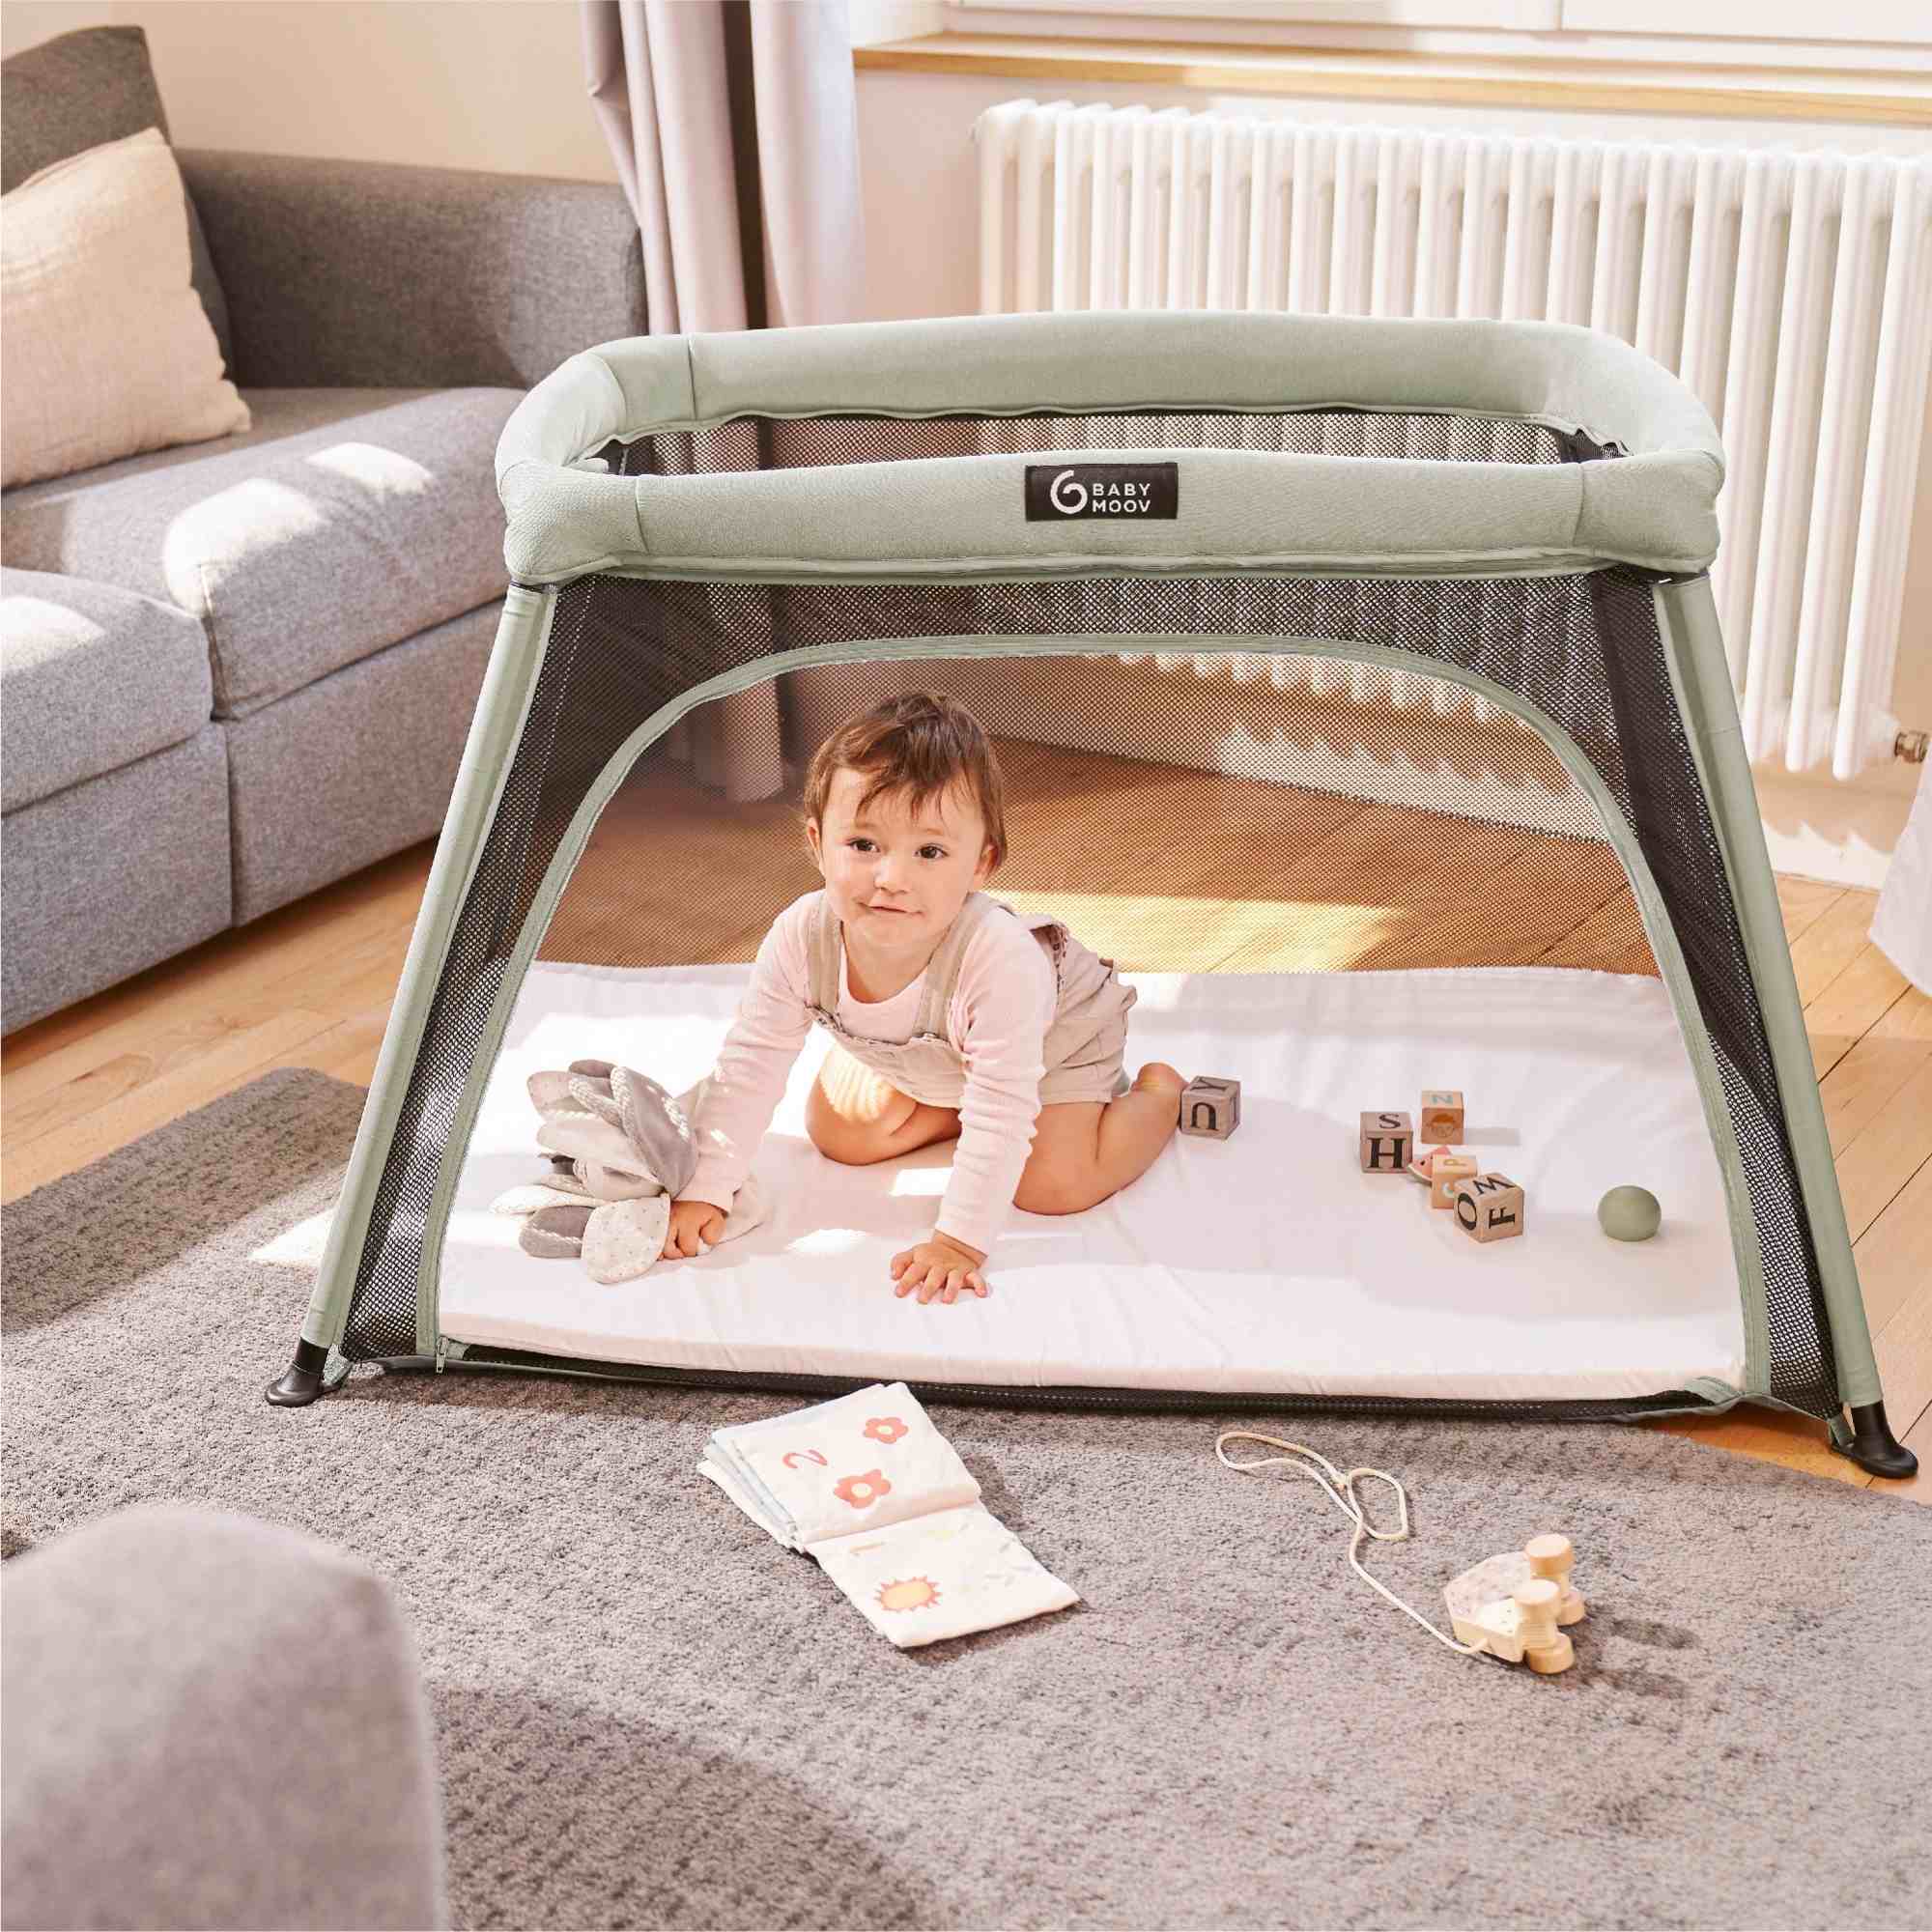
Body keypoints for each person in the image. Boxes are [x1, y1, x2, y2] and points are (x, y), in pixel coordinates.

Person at [660, 691, 1184, 1304]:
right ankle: (949, 1101)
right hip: (935, 1056)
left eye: (930, 852)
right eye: (862, 845)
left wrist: (959, 1241)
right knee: (841, 1136)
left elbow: (1001, 1106)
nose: (891, 879)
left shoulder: (999, 959)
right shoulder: (801, 934)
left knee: (1053, 1188)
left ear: (981, 863)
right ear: (816, 842)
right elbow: (750, 1063)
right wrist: (707, 1187)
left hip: (1053, 1045)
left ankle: (1158, 1093)